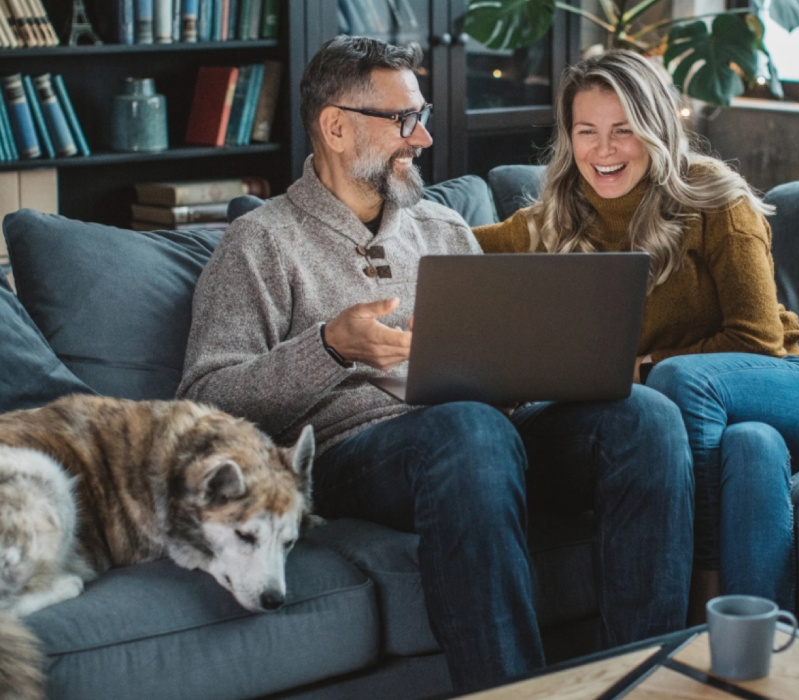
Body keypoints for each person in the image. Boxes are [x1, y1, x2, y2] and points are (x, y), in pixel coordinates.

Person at [177, 37, 695, 693]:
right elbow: (204, 402)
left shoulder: (444, 228)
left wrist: (532, 373)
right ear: (336, 127)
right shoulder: (260, 242)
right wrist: (331, 346)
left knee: (645, 416)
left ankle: (646, 684)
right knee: (467, 429)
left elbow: (491, 366)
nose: (421, 137)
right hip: (354, 454)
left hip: (482, 434)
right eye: (402, 120)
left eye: (420, 116)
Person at [473, 50, 799, 614]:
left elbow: (757, 339)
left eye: (624, 131)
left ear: (656, 128)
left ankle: (698, 590)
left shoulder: (712, 196)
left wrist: (645, 368)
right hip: (734, 424)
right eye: (587, 131)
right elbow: (451, 250)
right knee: (751, 447)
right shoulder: (554, 218)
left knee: (682, 380)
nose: (603, 150)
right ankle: (757, 654)